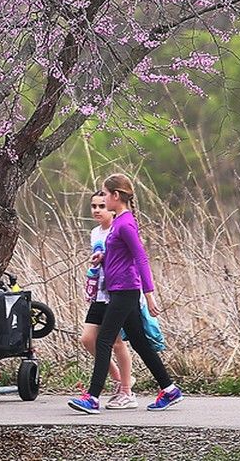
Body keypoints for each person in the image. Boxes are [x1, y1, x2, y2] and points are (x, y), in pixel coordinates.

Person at [68, 173, 183, 415]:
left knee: (104, 340)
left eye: (106, 194)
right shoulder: (119, 222)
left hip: (126, 291)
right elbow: (123, 256)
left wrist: (149, 294)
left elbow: (140, 257)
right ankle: (169, 389)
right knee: (140, 342)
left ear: (116, 196)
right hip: (119, 289)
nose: (104, 199)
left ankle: (92, 397)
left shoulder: (125, 223)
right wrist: (104, 257)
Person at [80, 189, 136, 409]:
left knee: (116, 341)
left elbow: (133, 257)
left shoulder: (118, 228)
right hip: (99, 293)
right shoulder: (95, 233)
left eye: (101, 206)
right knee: (87, 339)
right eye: (93, 206)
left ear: (111, 207)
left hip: (117, 292)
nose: (97, 210)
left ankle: (126, 389)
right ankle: (118, 378)